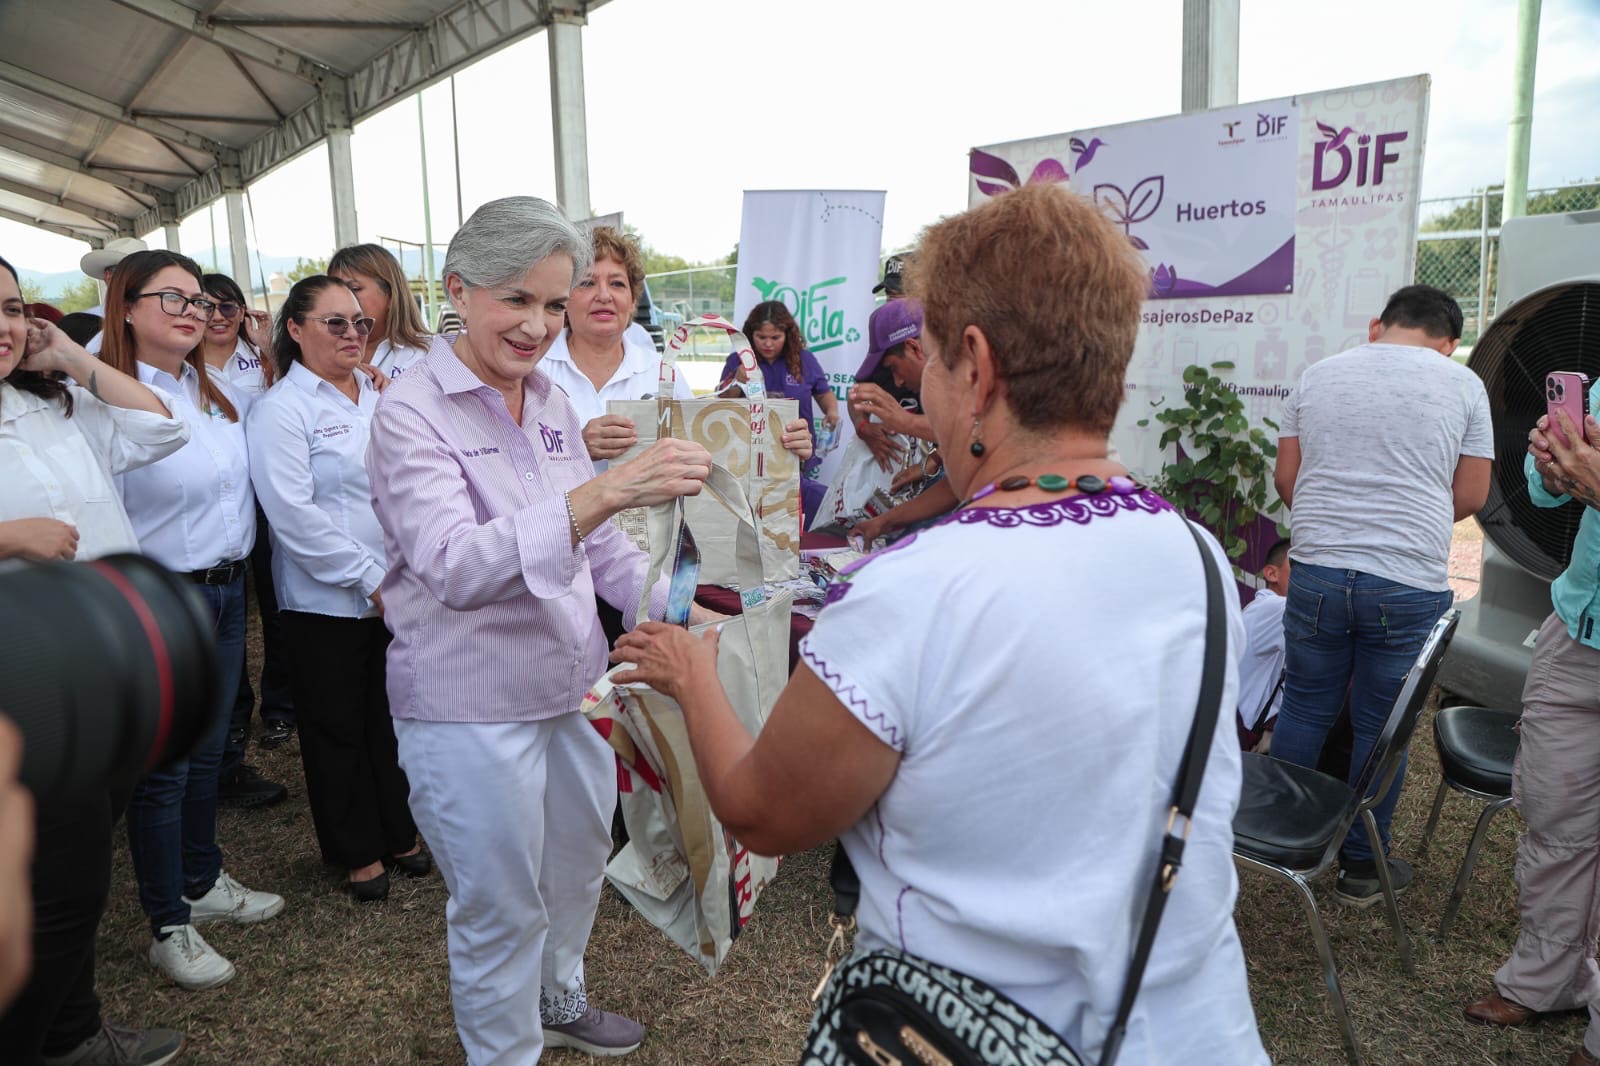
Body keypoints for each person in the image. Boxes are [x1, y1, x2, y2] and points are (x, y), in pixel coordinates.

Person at [612, 183, 1268, 1063]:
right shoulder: (1193, 554)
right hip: (1193, 1027)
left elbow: (763, 815)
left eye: (924, 359)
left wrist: (695, 676)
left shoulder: (917, 591)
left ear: (977, 363)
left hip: (957, 1032)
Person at [365, 196, 720, 1063]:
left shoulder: (551, 399)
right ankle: (505, 1051)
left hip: (573, 690)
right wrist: (604, 489)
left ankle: (559, 996)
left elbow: (598, 553)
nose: (537, 325)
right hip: (469, 708)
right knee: (498, 906)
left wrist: (670, 605)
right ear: (458, 290)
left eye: (554, 305)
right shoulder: (411, 411)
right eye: (517, 300)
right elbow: (451, 564)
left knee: (572, 870)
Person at [0, 253, 189, 1064]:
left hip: (106, 662)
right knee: (64, 887)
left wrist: (73, 357)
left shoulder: (51, 404)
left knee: (77, 866)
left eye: (10, 308)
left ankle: (74, 1032)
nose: (3, 328)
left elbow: (163, 425)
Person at [98, 250, 285, 992]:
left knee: (208, 749)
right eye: (168, 297)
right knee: (165, 767)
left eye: (197, 298)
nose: (190, 310)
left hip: (224, 586)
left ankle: (203, 879)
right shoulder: (103, 389)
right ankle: (167, 921)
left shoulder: (206, 388)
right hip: (159, 594)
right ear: (126, 306)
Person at [1270, 284, 1492, 906]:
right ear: (1448, 344)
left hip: (1314, 571)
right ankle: (1363, 868)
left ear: (1377, 326)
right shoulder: (1463, 385)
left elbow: (1289, 479)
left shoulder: (1316, 376)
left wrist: (1340, 529)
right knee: (1380, 724)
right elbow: (1472, 495)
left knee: (1306, 707)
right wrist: (1402, 526)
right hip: (1407, 580)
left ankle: (1279, 841)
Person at [248, 275, 425, 903]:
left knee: (391, 715)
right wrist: (370, 579)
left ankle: (400, 830)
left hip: (400, 585)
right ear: (295, 330)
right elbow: (293, 516)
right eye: (335, 323)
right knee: (336, 723)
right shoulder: (281, 410)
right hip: (325, 599)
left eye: (361, 323)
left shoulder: (381, 396)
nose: (354, 334)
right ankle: (357, 849)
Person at [1462, 404, 1600, 1066]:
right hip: (1578, 630)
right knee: (1554, 817)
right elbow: (1544, 490)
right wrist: (1550, 466)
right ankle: (1551, 982)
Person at [201, 272, 299, 772]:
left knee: (278, 604)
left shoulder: (258, 359)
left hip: (268, 497)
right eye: (209, 307)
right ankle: (235, 714)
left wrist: (268, 349)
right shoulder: (185, 367)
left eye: (229, 307)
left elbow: (288, 403)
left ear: (244, 312)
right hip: (223, 502)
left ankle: (281, 706)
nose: (219, 317)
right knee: (230, 617)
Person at [538, 227, 693, 470]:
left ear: (632, 302)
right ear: (564, 299)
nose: (603, 295)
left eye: (617, 284)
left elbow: (694, 450)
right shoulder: (534, 370)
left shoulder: (663, 373)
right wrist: (576, 445)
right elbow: (506, 460)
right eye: (587, 283)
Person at [721, 300, 840, 524]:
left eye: (775, 337)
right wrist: (737, 381)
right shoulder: (738, 361)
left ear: (788, 334)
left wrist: (831, 411)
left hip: (795, 451)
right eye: (761, 337)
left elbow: (824, 394)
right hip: (749, 456)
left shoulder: (804, 360)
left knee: (791, 512)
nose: (767, 344)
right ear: (749, 334)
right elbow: (720, 407)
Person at [849, 254, 920, 471]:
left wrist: (935, 460)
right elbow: (856, 394)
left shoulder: (952, 345)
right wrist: (863, 427)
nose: (892, 303)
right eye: (889, 294)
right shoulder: (885, 327)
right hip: (894, 458)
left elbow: (963, 432)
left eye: (900, 295)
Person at [328, 243, 430, 381]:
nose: (344, 299)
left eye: (354, 289)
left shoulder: (429, 353)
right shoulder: (318, 355)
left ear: (390, 294)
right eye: (336, 291)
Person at [1236, 538, 1291, 752]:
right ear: (1271, 574)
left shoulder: (1260, 610)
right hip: (1244, 737)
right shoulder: (1271, 607)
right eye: (1299, 563)